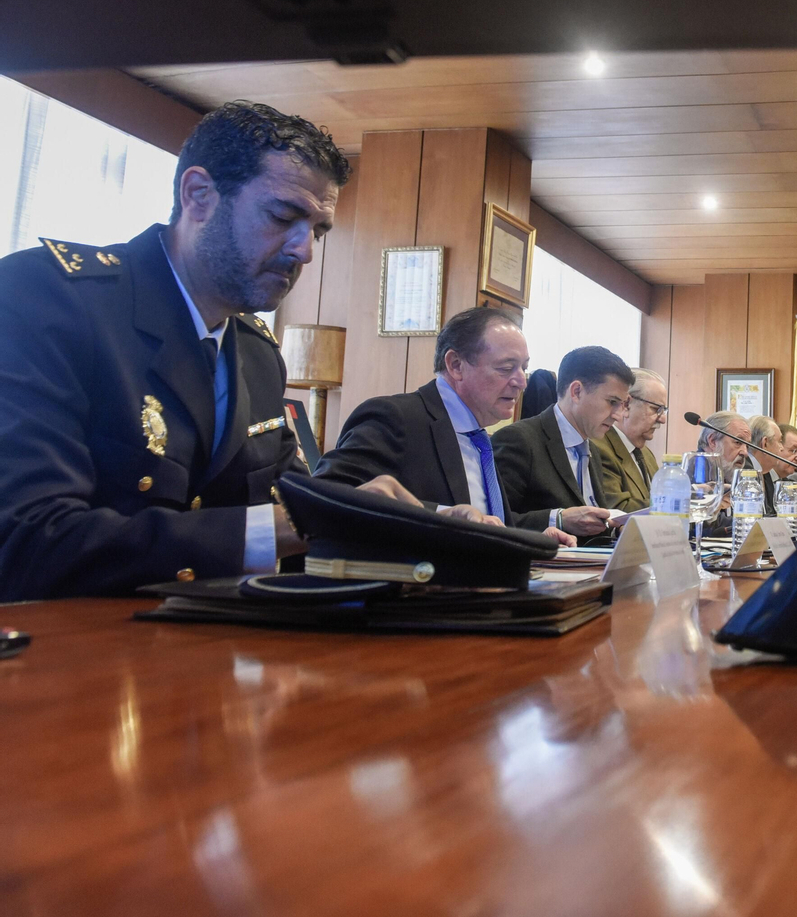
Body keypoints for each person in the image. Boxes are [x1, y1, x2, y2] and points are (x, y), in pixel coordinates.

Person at [0, 100, 409, 599]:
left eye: (318, 232)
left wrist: (433, 527)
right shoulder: (46, 298)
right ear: (198, 194)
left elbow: (297, 507)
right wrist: (293, 525)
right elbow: (29, 542)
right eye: (283, 216)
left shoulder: (257, 355)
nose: (304, 251)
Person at [313, 307, 573, 541]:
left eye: (523, 368)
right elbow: (327, 500)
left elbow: (485, 522)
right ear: (456, 365)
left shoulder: (477, 436)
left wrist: (536, 536)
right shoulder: (395, 418)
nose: (521, 382)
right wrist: (442, 516)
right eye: (506, 368)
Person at [493, 346, 633, 541]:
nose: (618, 415)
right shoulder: (518, 440)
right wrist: (557, 519)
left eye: (623, 405)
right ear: (576, 392)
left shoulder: (592, 448)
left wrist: (615, 529)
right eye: (612, 402)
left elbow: (590, 526)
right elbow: (494, 522)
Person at [592, 367, 667, 515]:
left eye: (664, 410)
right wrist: (679, 503)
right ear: (626, 405)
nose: (663, 419)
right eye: (655, 409)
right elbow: (618, 509)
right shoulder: (599, 449)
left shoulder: (646, 454)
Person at [695, 410, 751, 534]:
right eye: (738, 442)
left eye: (747, 445)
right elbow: (704, 529)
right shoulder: (694, 472)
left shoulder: (725, 471)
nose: (745, 452)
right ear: (713, 441)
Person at [744, 414, 787, 515]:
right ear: (765, 444)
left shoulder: (765, 473)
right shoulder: (745, 472)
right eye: (780, 441)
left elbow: (768, 514)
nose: (782, 448)